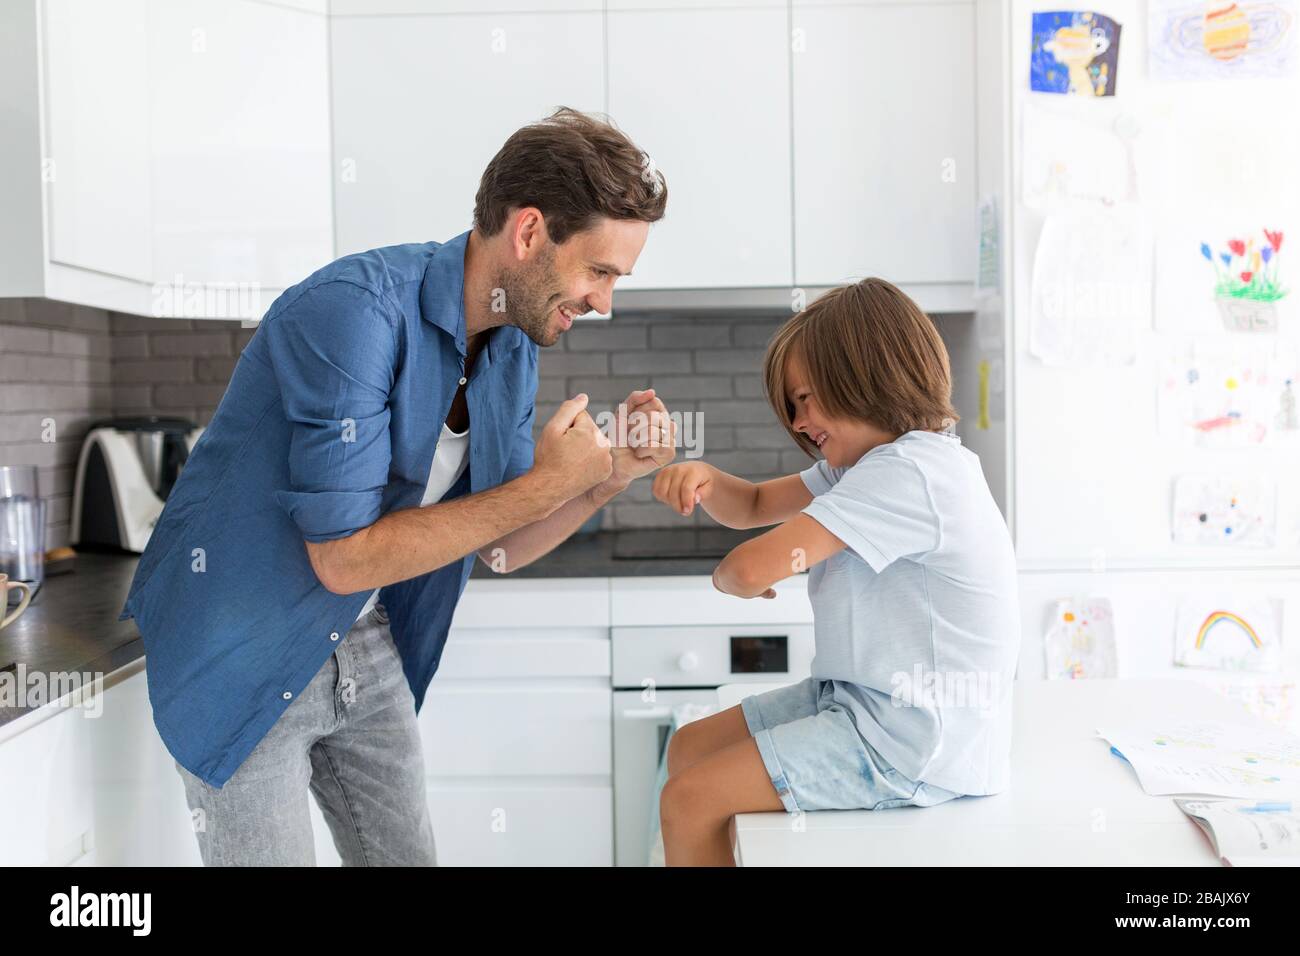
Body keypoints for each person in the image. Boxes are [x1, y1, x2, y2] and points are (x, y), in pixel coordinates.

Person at [120, 107, 676, 865]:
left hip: (365, 638)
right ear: (529, 233)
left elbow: (501, 547)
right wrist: (548, 482)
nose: (605, 301)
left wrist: (602, 481)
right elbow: (342, 557)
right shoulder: (354, 311)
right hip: (240, 641)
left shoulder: (514, 345)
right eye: (599, 271)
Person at [651, 278, 1020, 866]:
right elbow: (749, 507)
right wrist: (704, 479)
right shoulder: (866, 466)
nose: (798, 423)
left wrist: (744, 575)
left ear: (867, 376)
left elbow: (745, 570)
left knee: (690, 799)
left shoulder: (913, 473)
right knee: (689, 749)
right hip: (862, 704)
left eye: (805, 399)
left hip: (913, 739)